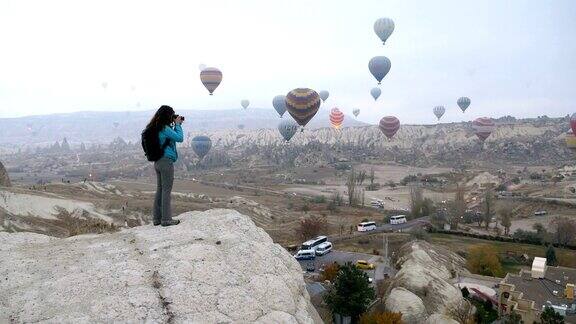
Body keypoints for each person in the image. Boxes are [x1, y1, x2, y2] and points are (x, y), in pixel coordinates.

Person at [145, 105, 184, 226]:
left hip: (157, 162)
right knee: (166, 190)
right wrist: (177, 124)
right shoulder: (164, 128)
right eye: (172, 115)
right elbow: (180, 138)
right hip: (166, 161)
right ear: (168, 116)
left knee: (160, 190)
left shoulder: (155, 127)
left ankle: (157, 219)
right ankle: (166, 220)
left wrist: (175, 125)